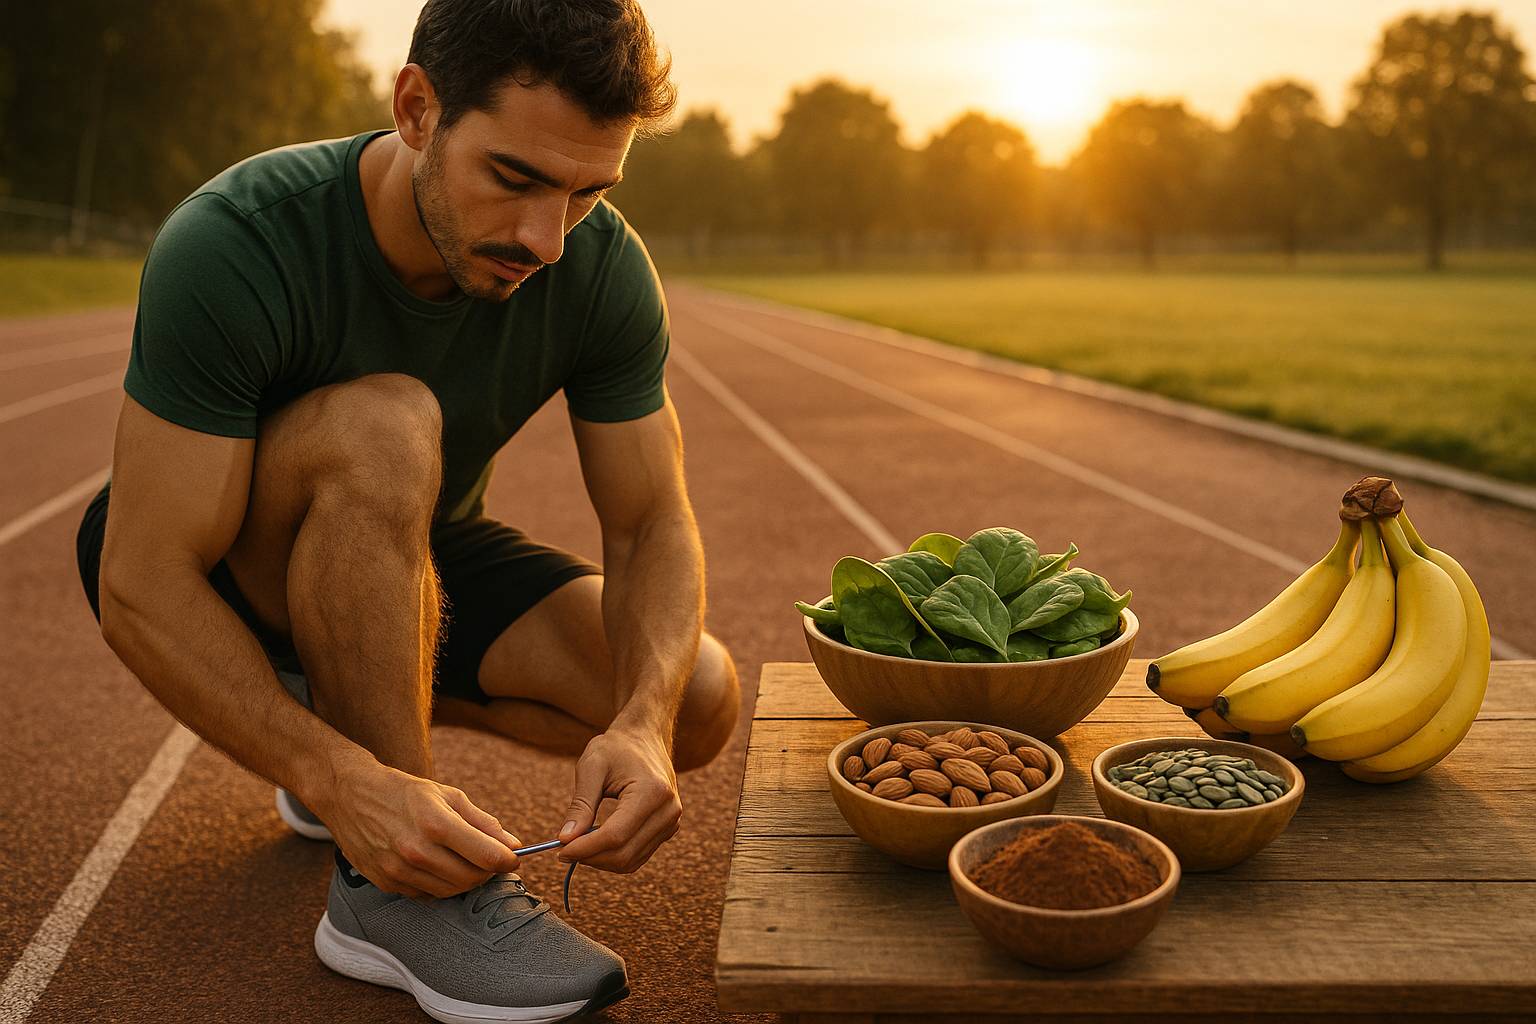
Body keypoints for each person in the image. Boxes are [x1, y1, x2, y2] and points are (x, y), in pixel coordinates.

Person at [73, 1, 740, 1020]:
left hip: (410, 543)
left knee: (693, 688)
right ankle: (391, 892)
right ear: (418, 107)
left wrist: (642, 726)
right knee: (388, 421)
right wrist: (341, 780)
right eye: (514, 178)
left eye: (587, 192)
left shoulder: (598, 264)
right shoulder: (238, 240)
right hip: (216, 563)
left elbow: (651, 522)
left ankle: (344, 712)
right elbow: (140, 580)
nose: (545, 239)